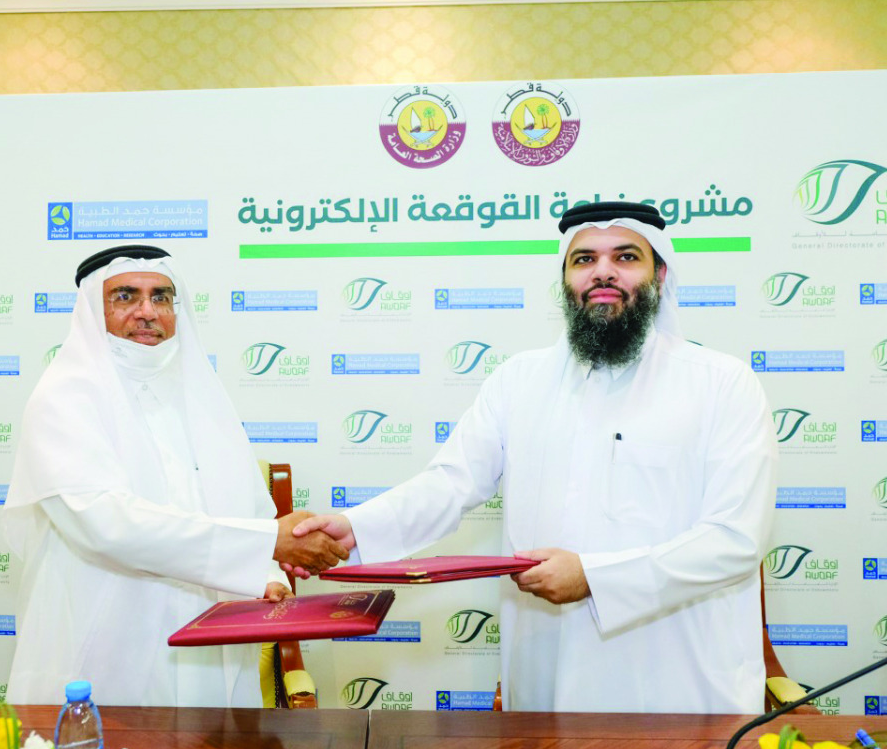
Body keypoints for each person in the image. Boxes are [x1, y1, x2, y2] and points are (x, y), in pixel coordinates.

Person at [294, 202, 778, 713]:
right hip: (548, 676)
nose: (603, 271)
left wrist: (594, 576)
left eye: (626, 256)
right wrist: (355, 528)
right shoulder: (518, 380)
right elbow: (452, 482)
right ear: (567, 279)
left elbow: (735, 538)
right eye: (584, 259)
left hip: (681, 684)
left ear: (659, 274)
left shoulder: (722, 383)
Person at [4, 245, 348, 706]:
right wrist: (265, 544)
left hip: (214, 632)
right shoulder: (64, 397)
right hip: (108, 638)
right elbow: (108, 526)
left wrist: (268, 573)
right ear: (93, 309)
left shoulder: (202, 395)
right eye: (126, 296)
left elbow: (252, 511)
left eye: (161, 297)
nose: (147, 312)